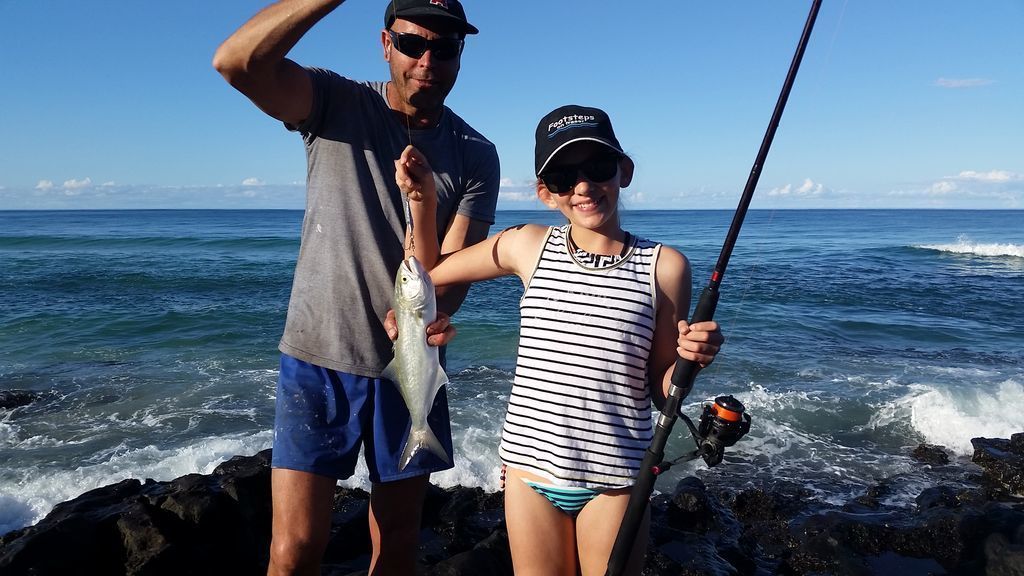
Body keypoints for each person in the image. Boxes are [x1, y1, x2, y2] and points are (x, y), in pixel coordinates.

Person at [212, 0, 500, 574]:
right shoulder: (337, 103)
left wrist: (435, 308)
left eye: (444, 48)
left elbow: (452, 268)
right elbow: (236, 62)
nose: (427, 60)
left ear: (460, 56)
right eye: (413, 44)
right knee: (293, 550)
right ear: (385, 43)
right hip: (318, 356)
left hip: (414, 367)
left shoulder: (476, 154)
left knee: (396, 541)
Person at [395, 104, 724, 575]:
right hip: (529, 472)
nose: (584, 186)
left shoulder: (666, 267)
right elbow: (424, 277)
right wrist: (422, 203)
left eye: (597, 167)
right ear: (545, 193)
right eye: (565, 177)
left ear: (623, 171)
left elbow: (660, 386)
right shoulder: (526, 244)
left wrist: (692, 361)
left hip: (617, 479)